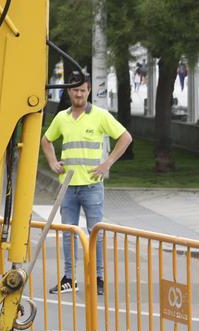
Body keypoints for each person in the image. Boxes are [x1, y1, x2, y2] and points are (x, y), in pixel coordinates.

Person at [40, 80, 133, 295]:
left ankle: (98, 278)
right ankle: (69, 279)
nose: (79, 94)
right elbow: (46, 140)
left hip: (92, 186)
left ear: (88, 91)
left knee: (95, 234)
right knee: (68, 233)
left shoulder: (100, 115)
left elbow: (125, 137)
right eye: (75, 90)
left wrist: (107, 163)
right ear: (69, 92)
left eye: (83, 90)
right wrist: (53, 163)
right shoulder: (62, 117)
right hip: (68, 187)